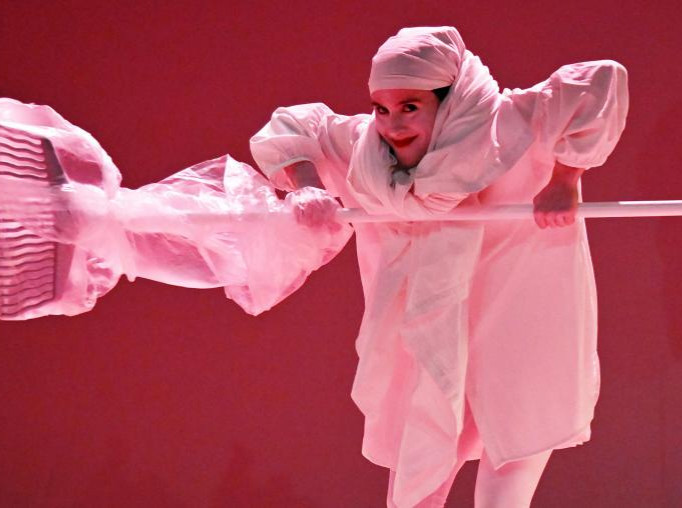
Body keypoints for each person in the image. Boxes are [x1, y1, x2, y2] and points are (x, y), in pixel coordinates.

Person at [250, 27, 628, 507]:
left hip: (518, 310)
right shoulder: (368, 149)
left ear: (449, 98)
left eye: (410, 106)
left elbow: (600, 79)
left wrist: (565, 177)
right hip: (429, 327)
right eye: (381, 108)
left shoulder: (509, 125)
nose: (392, 125)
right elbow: (292, 126)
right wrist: (308, 185)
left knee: (512, 455)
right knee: (422, 455)